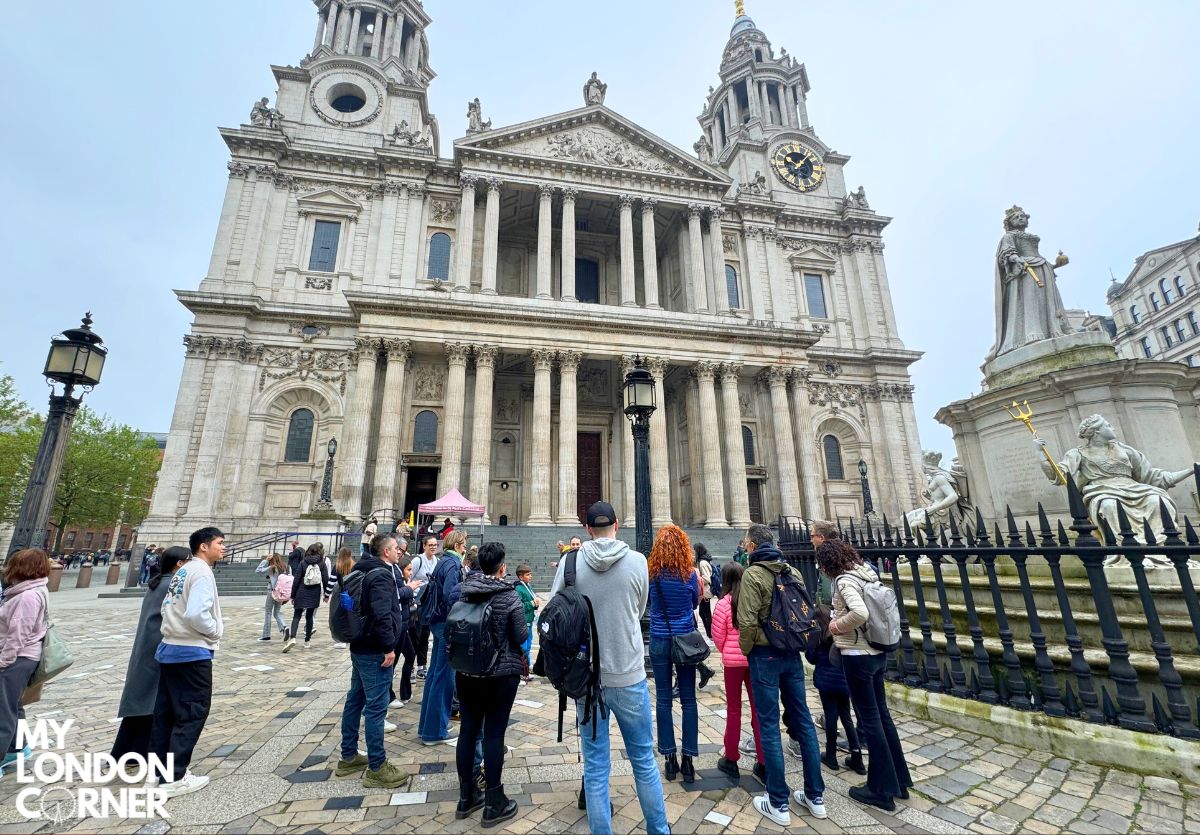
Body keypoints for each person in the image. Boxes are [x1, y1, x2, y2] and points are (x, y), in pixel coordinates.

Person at [549, 501, 668, 835]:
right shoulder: (637, 561)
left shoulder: (569, 561)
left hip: (587, 678)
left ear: (587, 529)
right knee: (644, 761)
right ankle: (659, 830)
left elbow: (556, 611)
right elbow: (639, 607)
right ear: (617, 524)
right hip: (628, 674)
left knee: (596, 766)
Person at [737, 523, 826, 826]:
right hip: (792, 655)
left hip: (765, 655)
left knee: (769, 724)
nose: (745, 545)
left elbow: (746, 622)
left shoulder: (753, 574)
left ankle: (778, 801)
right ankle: (816, 797)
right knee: (802, 720)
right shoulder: (793, 571)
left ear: (752, 546)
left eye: (746, 542)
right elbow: (806, 611)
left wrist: (748, 648)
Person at [821, 538, 913, 810]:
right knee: (882, 716)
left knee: (870, 720)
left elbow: (859, 613)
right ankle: (899, 781)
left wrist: (836, 626)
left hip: (858, 656)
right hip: (877, 654)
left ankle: (880, 789)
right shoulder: (866, 573)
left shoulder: (844, 580)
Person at [453, 542, 526, 827]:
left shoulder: (465, 591)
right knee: (494, 735)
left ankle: (466, 795)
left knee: (468, 732)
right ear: (502, 567)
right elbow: (520, 636)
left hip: (467, 673)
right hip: (499, 675)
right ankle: (494, 801)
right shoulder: (508, 596)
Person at [150, 527, 225, 798]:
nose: (223, 547)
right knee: (192, 713)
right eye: (219, 543)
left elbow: (166, 607)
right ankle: (175, 776)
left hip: (169, 648)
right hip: (191, 651)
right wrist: (214, 631)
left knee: (166, 715)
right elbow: (196, 613)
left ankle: (159, 773)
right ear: (203, 547)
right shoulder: (202, 572)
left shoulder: (182, 571)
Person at [335, 534, 413, 788]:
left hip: (359, 645)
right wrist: (389, 646)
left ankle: (348, 757)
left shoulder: (361, 568)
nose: (398, 552)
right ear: (386, 551)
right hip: (375, 649)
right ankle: (377, 767)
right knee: (376, 708)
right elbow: (382, 614)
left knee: (355, 699)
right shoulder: (381, 575)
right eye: (394, 549)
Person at [112, 546, 189, 758]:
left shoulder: (157, 582)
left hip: (149, 649)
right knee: (154, 701)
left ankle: (127, 751)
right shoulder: (171, 585)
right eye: (188, 560)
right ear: (178, 564)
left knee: (146, 701)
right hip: (161, 649)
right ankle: (140, 751)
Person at [647, 524, 702, 784]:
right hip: (685, 642)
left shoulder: (652, 575)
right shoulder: (690, 574)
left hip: (659, 639)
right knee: (689, 700)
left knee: (663, 700)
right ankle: (688, 760)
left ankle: (669, 759)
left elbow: (649, 604)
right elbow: (694, 603)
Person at [711, 561, 765, 783]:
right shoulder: (752, 600)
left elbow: (718, 636)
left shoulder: (723, 604)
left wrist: (727, 653)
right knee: (758, 710)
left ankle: (731, 758)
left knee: (734, 710)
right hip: (753, 660)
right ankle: (763, 762)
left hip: (733, 664)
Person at [0, 549, 50, 773]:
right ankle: (17, 748)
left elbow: (17, 633)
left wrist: (4, 661)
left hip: (16, 658)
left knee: (3, 709)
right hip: (22, 656)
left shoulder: (27, 596)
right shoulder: (30, 590)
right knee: (14, 705)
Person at [417, 529, 466, 745]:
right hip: (447, 624)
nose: (465, 548)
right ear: (456, 545)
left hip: (437, 622)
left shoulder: (443, 561)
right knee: (445, 677)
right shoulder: (453, 564)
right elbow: (450, 595)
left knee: (435, 675)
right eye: (463, 544)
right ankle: (435, 732)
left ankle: (427, 726)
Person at [807, 600, 865, 775]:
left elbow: (811, 658)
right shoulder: (842, 632)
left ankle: (831, 756)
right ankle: (857, 758)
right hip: (845, 682)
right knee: (846, 717)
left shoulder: (817, 635)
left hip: (826, 683)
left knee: (831, 718)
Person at [285, 543, 329, 651]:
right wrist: (326, 594)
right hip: (314, 592)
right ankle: (307, 641)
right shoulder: (322, 563)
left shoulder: (303, 563)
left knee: (297, 615)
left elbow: (296, 580)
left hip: (301, 590)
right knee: (309, 616)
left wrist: (293, 595)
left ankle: (293, 638)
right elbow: (325, 579)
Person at [390, 555, 421, 710]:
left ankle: (405, 691)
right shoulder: (399, 583)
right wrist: (410, 589)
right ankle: (389, 695)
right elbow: (397, 598)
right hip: (398, 626)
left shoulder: (404, 583)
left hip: (405, 625)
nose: (411, 572)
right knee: (393, 660)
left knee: (410, 655)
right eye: (408, 569)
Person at [410, 535, 439, 678]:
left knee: (425, 635)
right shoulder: (417, 560)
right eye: (431, 545)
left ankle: (422, 666)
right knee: (415, 635)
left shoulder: (437, 561)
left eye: (435, 545)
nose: (433, 547)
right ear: (424, 546)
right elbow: (409, 577)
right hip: (416, 601)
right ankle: (410, 667)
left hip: (428, 603)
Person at [513, 564, 540, 681]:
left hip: (529, 622)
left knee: (528, 647)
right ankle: (521, 671)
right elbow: (518, 606)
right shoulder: (519, 589)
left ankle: (526, 670)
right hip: (523, 623)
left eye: (530, 574)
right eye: (528, 574)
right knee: (523, 648)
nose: (530, 576)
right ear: (520, 577)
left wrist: (535, 605)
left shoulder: (527, 586)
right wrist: (532, 604)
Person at [256, 553, 290, 642]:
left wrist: (266, 560)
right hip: (280, 592)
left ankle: (266, 635)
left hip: (271, 591)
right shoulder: (285, 567)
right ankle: (284, 627)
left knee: (268, 612)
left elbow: (258, 570)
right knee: (277, 612)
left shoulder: (272, 567)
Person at [694, 543, 715, 639]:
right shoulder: (703, 561)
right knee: (704, 613)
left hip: (705, 592)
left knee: (705, 613)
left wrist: (696, 578)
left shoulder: (702, 563)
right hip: (704, 592)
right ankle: (709, 633)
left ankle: (710, 633)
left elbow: (707, 579)